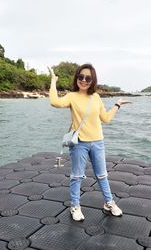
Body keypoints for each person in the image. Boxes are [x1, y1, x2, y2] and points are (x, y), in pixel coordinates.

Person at [48, 63, 132, 221]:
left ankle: (109, 203)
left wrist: (117, 105)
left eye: (88, 78)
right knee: (77, 176)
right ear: (77, 78)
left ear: (93, 80)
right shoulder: (72, 96)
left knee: (102, 175)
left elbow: (105, 119)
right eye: (81, 77)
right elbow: (54, 102)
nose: (84, 80)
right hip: (79, 143)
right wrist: (53, 81)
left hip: (98, 142)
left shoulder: (96, 97)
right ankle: (75, 206)